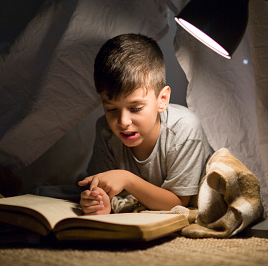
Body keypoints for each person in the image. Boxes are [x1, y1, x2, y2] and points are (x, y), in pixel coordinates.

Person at [79, 33, 213, 215]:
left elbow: (179, 202)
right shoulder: (105, 131)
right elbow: (100, 186)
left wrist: (127, 179)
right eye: (111, 109)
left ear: (162, 99)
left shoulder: (184, 128)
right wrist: (97, 201)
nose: (123, 122)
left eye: (135, 108)